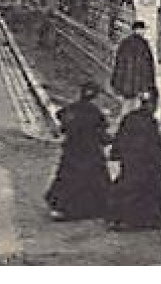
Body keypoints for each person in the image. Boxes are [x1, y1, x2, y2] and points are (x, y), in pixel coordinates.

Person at [106, 90, 161, 231]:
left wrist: (117, 154)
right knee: (147, 190)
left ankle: (124, 218)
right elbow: (156, 143)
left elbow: (120, 137)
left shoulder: (129, 118)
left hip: (131, 162)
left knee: (128, 187)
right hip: (146, 164)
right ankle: (142, 219)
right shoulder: (150, 121)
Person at [46, 83, 113, 222]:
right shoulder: (95, 113)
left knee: (68, 177)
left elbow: (61, 119)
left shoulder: (72, 109)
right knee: (95, 178)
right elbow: (101, 133)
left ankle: (63, 207)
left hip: (72, 150)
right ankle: (93, 208)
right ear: (95, 97)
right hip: (91, 151)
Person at [110, 20, 158, 107]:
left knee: (126, 108)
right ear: (139, 30)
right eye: (143, 30)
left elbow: (119, 65)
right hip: (139, 86)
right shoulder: (143, 44)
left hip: (126, 85)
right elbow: (146, 68)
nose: (144, 32)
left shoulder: (124, 43)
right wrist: (147, 87)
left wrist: (116, 84)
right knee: (137, 109)